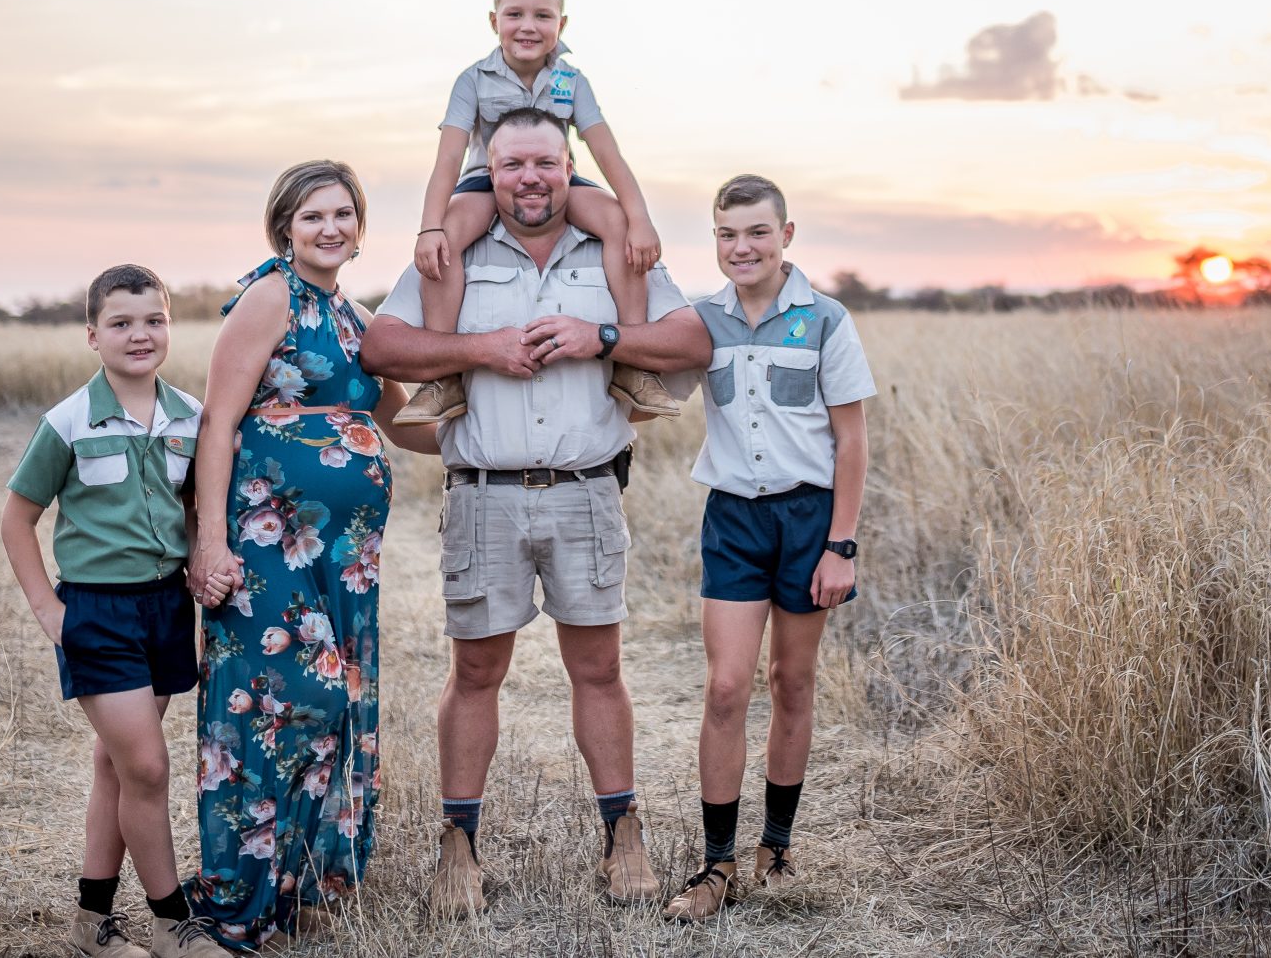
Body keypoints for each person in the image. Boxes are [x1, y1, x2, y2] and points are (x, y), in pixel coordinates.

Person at [359, 107, 714, 918]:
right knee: (475, 672)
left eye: (545, 163)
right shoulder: (453, 254)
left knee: (600, 669)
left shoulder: (614, 248)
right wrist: (480, 349)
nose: (530, 178)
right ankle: (459, 844)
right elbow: (381, 345)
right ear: (488, 171)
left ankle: (623, 831)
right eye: (512, 163)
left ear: (568, 166)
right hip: (483, 492)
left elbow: (693, 340)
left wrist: (603, 335)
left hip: (587, 489)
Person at [181, 162, 412, 949]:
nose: (330, 227)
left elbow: (402, 421)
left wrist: (502, 423)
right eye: (314, 215)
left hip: (347, 556)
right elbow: (218, 422)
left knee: (334, 705)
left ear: (360, 225)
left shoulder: (358, 315)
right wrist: (211, 540)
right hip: (267, 539)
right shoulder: (270, 296)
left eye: (343, 213)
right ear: (285, 226)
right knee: (279, 700)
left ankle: (298, 888)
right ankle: (236, 899)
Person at [0, 265, 231, 958]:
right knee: (149, 767)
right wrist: (48, 609)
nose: (140, 334)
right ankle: (171, 923)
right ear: (92, 335)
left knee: (118, 765)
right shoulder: (68, 421)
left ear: (169, 326)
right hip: (97, 613)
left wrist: (204, 562)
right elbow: (16, 519)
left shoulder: (189, 416)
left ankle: (90, 923)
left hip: (165, 608)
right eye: (121, 322)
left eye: (154, 320)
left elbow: (192, 508)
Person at [661, 176, 872, 923]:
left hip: (809, 520)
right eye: (727, 233)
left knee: (792, 681)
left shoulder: (825, 319)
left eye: (756, 232)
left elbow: (851, 440)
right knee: (726, 687)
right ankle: (716, 864)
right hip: (734, 520)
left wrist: (840, 545)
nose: (741, 247)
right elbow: (652, 392)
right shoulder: (700, 321)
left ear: (786, 234)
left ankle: (775, 847)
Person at [395, 0, 678, 427]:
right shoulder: (473, 80)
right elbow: (447, 159)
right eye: (515, 15)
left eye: (542, 16)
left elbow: (606, 151)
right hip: (488, 180)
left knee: (618, 221)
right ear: (494, 21)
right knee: (449, 234)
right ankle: (443, 380)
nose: (528, 26)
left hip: (554, 180)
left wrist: (641, 218)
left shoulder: (572, 81)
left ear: (561, 24)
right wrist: (429, 228)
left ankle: (632, 364)